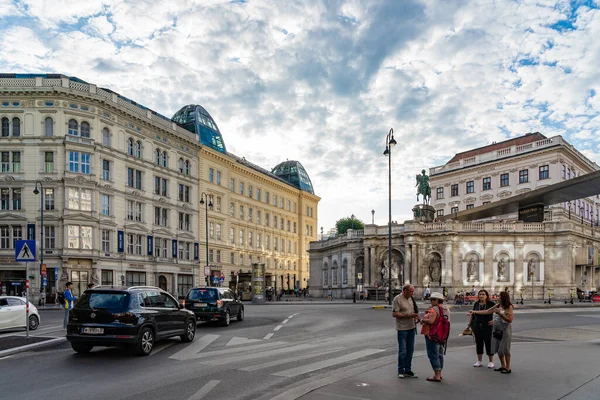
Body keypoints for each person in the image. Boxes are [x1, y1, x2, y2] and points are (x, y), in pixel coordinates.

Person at [470, 291, 514, 374]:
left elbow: (510, 320)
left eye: (499, 297)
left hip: (505, 329)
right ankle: (503, 366)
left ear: (503, 298)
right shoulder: (498, 305)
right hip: (497, 329)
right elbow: (487, 311)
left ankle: (508, 367)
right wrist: (474, 312)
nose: (498, 298)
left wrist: (500, 314)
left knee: (504, 349)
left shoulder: (509, 307)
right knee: (498, 349)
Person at [420, 291, 451, 382]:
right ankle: (439, 373)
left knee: (433, 354)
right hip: (442, 335)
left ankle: (436, 375)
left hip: (432, 334)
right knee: (440, 354)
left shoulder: (434, 309)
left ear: (437, 300)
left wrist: (423, 320)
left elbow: (431, 321)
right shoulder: (446, 309)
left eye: (433, 299)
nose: (431, 301)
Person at [392, 284, 420, 379]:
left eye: (413, 291)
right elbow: (394, 313)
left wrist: (418, 317)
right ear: (405, 291)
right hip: (402, 328)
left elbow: (415, 311)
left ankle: (408, 369)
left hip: (412, 327)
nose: (412, 293)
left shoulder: (411, 299)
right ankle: (401, 370)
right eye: (411, 291)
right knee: (403, 350)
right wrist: (408, 316)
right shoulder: (397, 299)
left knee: (410, 350)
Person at [468, 289, 495, 368]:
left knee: (488, 343)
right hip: (477, 325)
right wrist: (469, 324)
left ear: (486, 296)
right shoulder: (476, 304)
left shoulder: (491, 304)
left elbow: (498, 313)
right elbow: (472, 315)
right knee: (479, 343)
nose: (481, 296)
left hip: (488, 326)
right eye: (480, 294)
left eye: (483, 294)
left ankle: (491, 361)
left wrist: (494, 320)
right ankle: (479, 361)